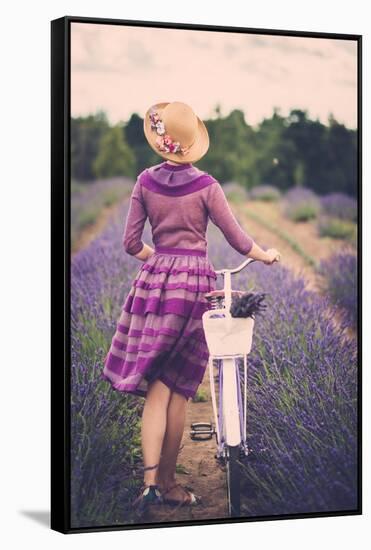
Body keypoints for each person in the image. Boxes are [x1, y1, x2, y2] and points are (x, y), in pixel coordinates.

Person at [102, 101, 281, 510]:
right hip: (194, 287)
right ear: (191, 143)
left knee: (155, 391)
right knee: (179, 389)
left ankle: (149, 484)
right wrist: (266, 255)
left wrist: (162, 261)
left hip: (153, 287)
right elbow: (237, 240)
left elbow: (131, 245)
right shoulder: (207, 186)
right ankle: (169, 484)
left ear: (161, 141)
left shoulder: (144, 182)